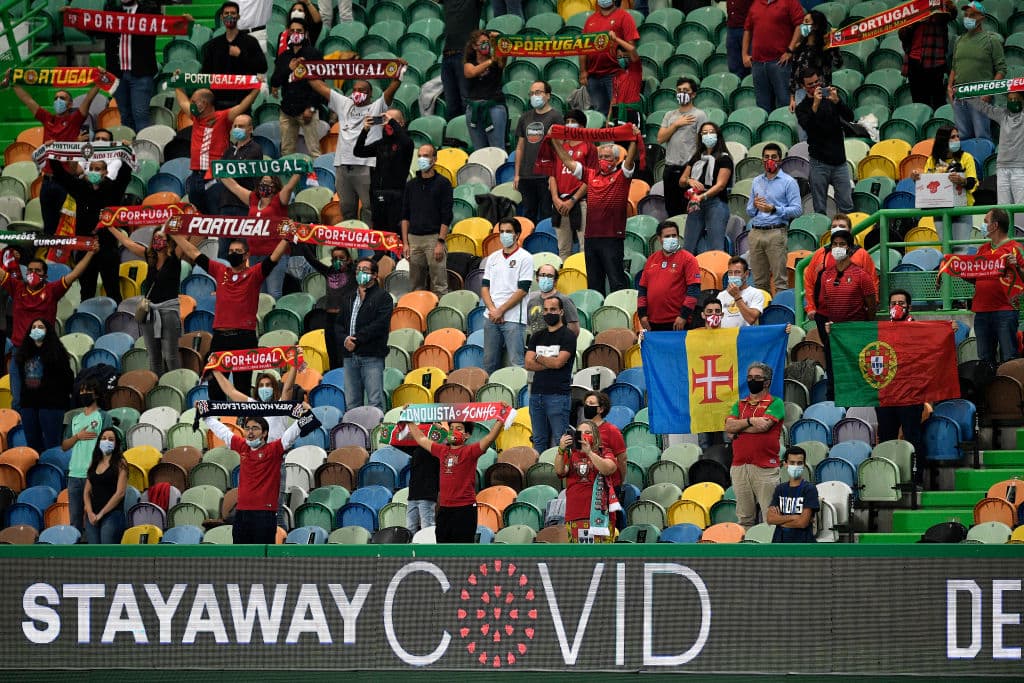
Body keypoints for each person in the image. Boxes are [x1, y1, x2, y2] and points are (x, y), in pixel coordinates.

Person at [172, 234, 290, 399]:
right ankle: (218, 423)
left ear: (247, 255)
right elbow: (193, 252)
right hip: (220, 339)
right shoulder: (220, 271)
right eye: (231, 251)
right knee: (215, 388)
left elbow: (273, 258)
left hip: (244, 339)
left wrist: (287, 237)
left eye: (238, 251)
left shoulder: (254, 273)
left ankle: (241, 424)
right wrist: (174, 234)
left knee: (241, 389)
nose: (233, 253)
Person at [0, 249, 95, 411]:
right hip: (18, 353)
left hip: (40, 354)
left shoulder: (52, 290)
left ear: (44, 274)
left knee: (37, 400)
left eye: (37, 271)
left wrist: (90, 253)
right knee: (17, 401)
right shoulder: (17, 288)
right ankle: (20, 434)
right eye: (30, 270)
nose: (33, 273)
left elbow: (74, 274)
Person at [550, 132, 640, 294]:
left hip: (612, 238)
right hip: (591, 238)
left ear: (616, 160)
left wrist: (634, 140)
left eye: (608, 157)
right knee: (594, 283)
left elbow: (630, 160)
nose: (603, 160)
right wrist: (555, 141)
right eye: (601, 157)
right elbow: (568, 162)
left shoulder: (622, 176)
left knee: (616, 281)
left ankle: (618, 312)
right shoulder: (590, 175)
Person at [308, 72, 402, 224]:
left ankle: (371, 243)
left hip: (366, 167)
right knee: (346, 208)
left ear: (370, 94)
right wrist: (305, 70)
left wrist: (399, 71)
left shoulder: (377, 107)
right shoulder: (344, 103)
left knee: (370, 208)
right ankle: (352, 243)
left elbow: (393, 87)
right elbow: (319, 86)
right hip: (343, 167)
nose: (357, 93)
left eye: (362, 90)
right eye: (355, 89)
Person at [12, 80, 103, 235]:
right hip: (46, 182)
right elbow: (28, 100)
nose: (57, 101)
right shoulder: (48, 119)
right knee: (49, 228)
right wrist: (14, 82)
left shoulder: (75, 120)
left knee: (68, 227)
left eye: (62, 98)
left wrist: (99, 82)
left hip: (65, 183)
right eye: (55, 98)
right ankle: (48, 258)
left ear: (70, 104)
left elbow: (88, 99)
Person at [204, 410, 304, 543]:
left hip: (265, 513)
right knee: (241, 554)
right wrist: (205, 416)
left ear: (265, 433)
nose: (250, 432)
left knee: (262, 557)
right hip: (242, 513)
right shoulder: (242, 447)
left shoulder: (274, 449)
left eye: (255, 428)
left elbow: (292, 433)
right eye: (247, 428)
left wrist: (304, 414)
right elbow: (224, 432)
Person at [403, 415, 507, 543]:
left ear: (467, 435)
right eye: (451, 428)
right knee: (443, 550)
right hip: (444, 510)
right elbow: (420, 438)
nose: (454, 431)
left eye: (459, 428)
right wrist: (409, 418)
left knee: (463, 550)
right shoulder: (441, 450)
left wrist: (501, 419)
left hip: (465, 510)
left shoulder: (471, 451)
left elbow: (490, 437)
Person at [51, 157, 132, 303]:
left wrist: (125, 152)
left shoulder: (113, 189)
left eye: (98, 169)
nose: (94, 172)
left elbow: (125, 175)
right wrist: (53, 155)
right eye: (92, 169)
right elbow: (61, 176)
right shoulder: (81, 187)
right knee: (86, 293)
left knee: (113, 291)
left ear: (106, 172)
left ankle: (117, 323)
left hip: (107, 247)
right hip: (84, 247)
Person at [173, 84, 261, 215]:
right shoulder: (195, 118)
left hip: (214, 177)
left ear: (203, 104)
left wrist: (257, 88)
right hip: (195, 177)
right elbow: (182, 101)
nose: (190, 105)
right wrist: (177, 82)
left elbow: (243, 105)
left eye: (193, 102)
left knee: (216, 216)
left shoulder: (223, 117)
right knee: (199, 219)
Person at [108, 226, 183, 374]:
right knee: (154, 357)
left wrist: (190, 218)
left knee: (171, 356)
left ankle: (175, 385)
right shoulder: (149, 257)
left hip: (169, 311)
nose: (157, 241)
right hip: (149, 312)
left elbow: (187, 240)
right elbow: (127, 242)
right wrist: (110, 225)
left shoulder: (175, 258)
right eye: (155, 238)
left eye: (161, 238)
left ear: (169, 241)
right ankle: (157, 390)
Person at [815, 228, 878, 401]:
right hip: (834, 334)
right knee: (834, 375)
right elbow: (825, 305)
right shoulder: (825, 275)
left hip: (855, 334)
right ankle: (833, 406)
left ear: (850, 249)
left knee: (857, 373)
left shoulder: (862, 275)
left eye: (842, 244)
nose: (838, 248)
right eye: (834, 244)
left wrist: (862, 327)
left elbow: (871, 306)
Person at [219, 172, 303, 299]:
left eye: (269, 183)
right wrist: (220, 171)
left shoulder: (279, 200)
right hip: (254, 255)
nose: (265, 185)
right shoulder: (253, 199)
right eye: (263, 182)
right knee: (259, 294)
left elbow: (289, 187)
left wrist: (299, 171)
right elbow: (235, 187)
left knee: (274, 292)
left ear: (275, 186)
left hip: (275, 255)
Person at [724, 361, 784, 529]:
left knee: (771, 518)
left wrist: (739, 429)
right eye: (750, 377)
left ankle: (771, 555)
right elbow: (728, 427)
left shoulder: (775, 403)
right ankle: (747, 553)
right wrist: (751, 421)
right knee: (744, 519)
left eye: (757, 377)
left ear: (767, 382)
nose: (752, 380)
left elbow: (764, 426)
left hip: (765, 468)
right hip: (739, 467)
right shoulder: (739, 404)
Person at [876, 289, 927, 484]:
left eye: (901, 303)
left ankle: (916, 480)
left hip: (910, 395)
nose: (897, 306)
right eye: (893, 303)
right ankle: (888, 482)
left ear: (909, 307)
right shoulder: (881, 329)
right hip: (886, 395)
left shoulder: (920, 329)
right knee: (887, 438)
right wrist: (834, 331)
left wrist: (949, 329)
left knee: (913, 437)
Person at [91, 0, 164, 132]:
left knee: (140, 115)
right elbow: (94, 31)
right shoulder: (111, 11)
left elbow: (167, 25)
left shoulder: (149, 10)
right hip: (117, 74)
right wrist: (71, 18)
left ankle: (142, 150)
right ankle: (128, 149)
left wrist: (184, 22)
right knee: (125, 116)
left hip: (141, 74)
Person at [964, 209, 1023, 364]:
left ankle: (1011, 389)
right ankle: (988, 389)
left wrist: (1017, 267)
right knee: (984, 361)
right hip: (981, 312)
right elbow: (976, 279)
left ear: (995, 225)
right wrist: (964, 273)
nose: (983, 225)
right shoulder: (982, 249)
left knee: (1009, 359)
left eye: (985, 222)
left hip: (1006, 311)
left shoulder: (1016, 248)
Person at [795, 67, 854, 216]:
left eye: (817, 82)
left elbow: (850, 117)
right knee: (820, 208)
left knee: (847, 206)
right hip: (819, 163)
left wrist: (837, 101)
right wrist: (815, 104)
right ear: (803, 87)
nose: (816, 86)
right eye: (811, 85)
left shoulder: (830, 100)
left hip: (839, 161)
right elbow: (808, 127)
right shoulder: (802, 108)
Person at [911, 125, 979, 253]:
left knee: (960, 251)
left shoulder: (966, 158)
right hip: (940, 212)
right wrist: (916, 178)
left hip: (962, 211)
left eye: (958, 136)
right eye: (953, 137)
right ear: (944, 140)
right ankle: (949, 274)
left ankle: (957, 274)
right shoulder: (932, 160)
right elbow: (926, 183)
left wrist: (962, 180)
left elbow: (972, 182)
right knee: (947, 250)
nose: (957, 139)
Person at [337, 258, 394, 411]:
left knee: (375, 402)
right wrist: (345, 340)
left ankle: (375, 434)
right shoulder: (348, 297)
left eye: (365, 271)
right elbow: (337, 324)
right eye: (358, 271)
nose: (360, 274)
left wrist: (356, 340)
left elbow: (379, 325)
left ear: (375, 275)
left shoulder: (383, 297)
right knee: (352, 404)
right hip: (349, 357)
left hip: (372, 356)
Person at [746, 142, 802, 292]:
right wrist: (755, 205)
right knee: (758, 282)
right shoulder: (756, 181)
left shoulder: (789, 182)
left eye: (773, 157)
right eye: (766, 157)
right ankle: (761, 313)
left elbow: (797, 210)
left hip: (776, 233)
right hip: (756, 232)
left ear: (780, 160)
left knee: (780, 281)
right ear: (762, 159)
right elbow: (750, 211)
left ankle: (778, 313)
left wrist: (774, 209)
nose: (769, 160)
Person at [353, 108, 414, 242]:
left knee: (395, 233)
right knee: (380, 234)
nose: (387, 124)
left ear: (401, 123)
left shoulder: (406, 143)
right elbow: (358, 151)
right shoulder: (382, 143)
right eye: (385, 120)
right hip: (378, 193)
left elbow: (405, 142)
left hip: (396, 194)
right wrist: (365, 130)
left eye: (391, 120)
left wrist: (391, 121)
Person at [803, 215, 878, 323]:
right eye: (834, 226)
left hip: (855, 316)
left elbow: (872, 282)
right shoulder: (820, 254)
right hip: (824, 315)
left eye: (842, 226)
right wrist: (811, 308)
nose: (837, 228)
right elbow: (810, 282)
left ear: (850, 230)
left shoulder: (861, 254)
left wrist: (871, 308)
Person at [400, 144, 453, 296]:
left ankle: (439, 316)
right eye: (420, 156)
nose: (422, 159)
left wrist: (440, 242)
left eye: (426, 156)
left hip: (433, 238)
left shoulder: (443, 184)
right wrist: (405, 243)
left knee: (439, 285)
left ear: (434, 159)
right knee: (416, 285)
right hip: (413, 239)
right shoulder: (411, 185)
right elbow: (405, 215)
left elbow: (447, 215)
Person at [949, 1, 1006, 142]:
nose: (968, 18)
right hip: (960, 96)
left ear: (982, 18)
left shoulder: (991, 40)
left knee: (982, 137)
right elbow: (954, 67)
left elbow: (1001, 69)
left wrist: (988, 92)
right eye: (966, 15)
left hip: (980, 96)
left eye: (973, 15)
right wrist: (949, 87)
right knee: (962, 138)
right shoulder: (959, 41)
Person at [526, 295, 577, 454]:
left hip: (558, 395)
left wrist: (538, 357)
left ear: (561, 312)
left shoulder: (568, 335)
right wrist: (550, 362)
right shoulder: (537, 336)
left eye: (553, 309)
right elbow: (528, 364)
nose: (549, 313)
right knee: (538, 439)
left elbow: (558, 363)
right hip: (536, 395)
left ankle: (562, 475)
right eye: (546, 310)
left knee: (561, 439)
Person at [482, 217, 533, 373]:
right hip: (491, 317)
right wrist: (493, 310)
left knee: (516, 363)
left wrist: (501, 310)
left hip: (513, 319)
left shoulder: (525, 257)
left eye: (508, 232)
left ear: (517, 235)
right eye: (502, 232)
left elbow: (523, 289)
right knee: (489, 363)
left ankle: (519, 396)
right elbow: (485, 287)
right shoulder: (493, 258)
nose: (504, 235)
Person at [15, 319, 73, 452]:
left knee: (52, 444)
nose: (36, 329)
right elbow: (21, 381)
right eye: (33, 326)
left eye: (40, 327)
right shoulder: (23, 354)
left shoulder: (58, 354)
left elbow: (68, 379)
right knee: (32, 445)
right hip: (29, 405)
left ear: (48, 331)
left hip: (51, 406)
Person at [555, 419, 618, 542]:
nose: (583, 436)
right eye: (580, 433)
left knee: (603, 556)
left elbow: (608, 469)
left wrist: (589, 452)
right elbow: (560, 471)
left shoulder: (605, 452)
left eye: (588, 433)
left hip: (601, 516)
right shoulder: (571, 454)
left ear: (596, 436)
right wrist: (561, 450)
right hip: (575, 513)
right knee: (579, 557)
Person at [270, 17, 324, 157]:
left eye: (299, 31)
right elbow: (275, 81)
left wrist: (311, 108)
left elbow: (321, 86)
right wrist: (289, 68)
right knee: (286, 152)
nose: (295, 33)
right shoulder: (284, 56)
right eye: (292, 30)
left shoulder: (314, 54)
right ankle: (287, 179)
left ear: (305, 33)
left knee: (314, 151)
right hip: (287, 111)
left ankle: (317, 178)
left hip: (307, 110)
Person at [201, 2, 269, 110]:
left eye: (233, 13)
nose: (229, 16)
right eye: (226, 13)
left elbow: (262, 67)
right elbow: (205, 72)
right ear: (221, 17)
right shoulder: (213, 45)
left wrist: (241, 55)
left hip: (243, 100)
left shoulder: (250, 41)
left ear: (238, 16)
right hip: (218, 101)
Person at [548, 108, 595, 260]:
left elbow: (591, 178)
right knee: (563, 249)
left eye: (573, 122)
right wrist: (555, 199)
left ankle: (585, 280)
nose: (569, 125)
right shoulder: (559, 147)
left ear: (582, 126)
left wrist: (573, 200)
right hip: (560, 204)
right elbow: (552, 176)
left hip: (581, 202)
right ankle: (566, 281)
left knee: (584, 248)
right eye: (567, 122)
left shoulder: (590, 147)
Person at [679, 121, 733, 253]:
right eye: (704, 133)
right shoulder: (697, 157)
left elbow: (720, 185)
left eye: (711, 132)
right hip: (695, 203)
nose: (708, 135)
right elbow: (682, 180)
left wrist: (702, 196)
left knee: (716, 247)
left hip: (715, 203)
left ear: (718, 135)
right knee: (688, 247)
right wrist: (690, 180)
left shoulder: (724, 158)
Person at [637, 221, 702, 331]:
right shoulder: (651, 259)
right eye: (667, 236)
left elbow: (694, 290)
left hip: (677, 323)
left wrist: (683, 316)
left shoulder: (688, 259)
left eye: (674, 235)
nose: (671, 239)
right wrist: (642, 315)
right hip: (652, 322)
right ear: (659, 239)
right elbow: (643, 289)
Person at [515, 81, 564, 224]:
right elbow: (519, 147)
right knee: (528, 215)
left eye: (538, 92)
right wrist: (517, 174)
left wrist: (553, 175)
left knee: (546, 215)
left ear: (548, 95)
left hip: (546, 176)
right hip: (526, 175)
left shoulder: (556, 117)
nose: (534, 96)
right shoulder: (525, 117)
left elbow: (560, 148)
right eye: (532, 93)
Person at [210, 360, 297, 441]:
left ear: (274, 388)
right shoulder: (252, 405)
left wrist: (295, 362)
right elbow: (231, 391)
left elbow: (288, 389)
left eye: (267, 385)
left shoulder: (281, 406)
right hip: (256, 450)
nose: (264, 388)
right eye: (261, 386)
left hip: (277, 452)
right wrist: (215, 370)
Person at [788, 10, 842, 140]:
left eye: (806, 22)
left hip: (822, 92)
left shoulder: (826, 46)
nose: (803, 25)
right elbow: (794, 72)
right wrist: (792, 97)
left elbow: (838, 63)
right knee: (805, 131)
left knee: (824, 130)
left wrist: (835, 45)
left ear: (816, 26)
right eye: (803, 22)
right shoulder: (799, 47)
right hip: (802, 93)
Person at [742, 0, 804, 112]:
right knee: (762, 107)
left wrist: (790, 50)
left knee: (785, 104)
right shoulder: (756, 3)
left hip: (781, 63)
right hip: (758, 64)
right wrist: (744, 54)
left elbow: (800, 26)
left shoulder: (790, 2)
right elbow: (747, 29)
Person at [212, 114, 263, 249]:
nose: (236, 129)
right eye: (234, 126)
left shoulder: (255, 149)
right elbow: (219, 173)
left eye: (241, 126)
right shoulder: (229, 151)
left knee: (242, 247)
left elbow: (237, 172)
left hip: (244, 206)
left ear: (250, 129)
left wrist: (224, 173)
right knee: (223, 249)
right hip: (226, 205)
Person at [659, 78, 708, 218]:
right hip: (669, 168)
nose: (682, 93)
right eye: (679, 90)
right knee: (671, 210)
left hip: (688, 170)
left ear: (693, 94)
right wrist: (675, 125)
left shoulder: (699, 115)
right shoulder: (670, 115)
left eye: (686, 91)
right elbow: (661, 138)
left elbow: (702, 144)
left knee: (689, 211)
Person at [580, 0, 638, 117]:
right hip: (593, 76)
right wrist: (583, 71)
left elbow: (631, 48)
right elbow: (583, 48)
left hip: (615, 74)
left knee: (616, 113)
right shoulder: (590, 20)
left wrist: (619, 47)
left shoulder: (624, 16)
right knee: (599, 114)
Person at [299, 245, 355, 368]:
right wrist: (300, 241)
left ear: (349, 259)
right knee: (332, 352)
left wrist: (385, 245)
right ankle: (334, 376)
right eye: (335, 258)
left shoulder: (353, 272)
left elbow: (374, 260)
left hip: (345, 318)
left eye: (342, 258)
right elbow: (311, 259)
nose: (338, 261)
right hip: (329, 318)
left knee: (344, 352)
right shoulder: (328, 272)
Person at [62, 382, 105, 536]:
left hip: (93, 474)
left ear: (97, 395)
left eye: (88, 391)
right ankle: (74, 552)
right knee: (75, 518)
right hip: (74, 475)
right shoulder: (75, 418)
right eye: (81, 391)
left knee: (93, 516)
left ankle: (94, 552)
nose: (84, 394)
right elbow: (65, 445)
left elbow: (108, 443)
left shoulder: (103, 416)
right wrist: (78, 436)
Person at [968, 92, 1024, 207]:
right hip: (1002, 167)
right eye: (1011, 99)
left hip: (1020, 167)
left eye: (1017, 98)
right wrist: (966, 95)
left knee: (1021, 206)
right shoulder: (1002, 115)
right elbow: (983, 107)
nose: (1014, 101)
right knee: (1003, 206)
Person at [899, 0, 957, 110]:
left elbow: (953, 14)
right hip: (914, 61)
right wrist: (915, 21)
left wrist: (936, 7)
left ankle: (938, 125)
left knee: (938, 102)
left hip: (935, 61)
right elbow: (902, 34)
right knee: (919, 103)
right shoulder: (912, 8)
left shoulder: (940, 4)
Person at [463, 29, 507, 151]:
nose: (485, 44)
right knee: (479, 150)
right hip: (474, 110)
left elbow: (504, 56)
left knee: (497, 148)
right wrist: (490, 60)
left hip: (494, 107)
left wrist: (499, 39)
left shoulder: (497, 60)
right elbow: (471, 72)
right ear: (474, 46)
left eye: (487, 42)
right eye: (482, 42)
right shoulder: (469, 63)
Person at [83, 428, 128, 544]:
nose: (106, 441)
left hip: (112, 515)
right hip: (92, 515)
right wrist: (90, 513)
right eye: (103, 438)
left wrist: (101, 514)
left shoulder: (121, 463)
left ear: (116, 443)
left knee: (107, 553)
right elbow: (87, 491)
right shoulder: (93, 462)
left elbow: (120, 493)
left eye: (111, 439)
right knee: (94, 553)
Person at [440, 0, 483, 121]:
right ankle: (454, 137)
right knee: (451, 104)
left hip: (465, 54)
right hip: (447, 55)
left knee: (467, 102)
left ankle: (470, 136)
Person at [767, 445, 819, 543]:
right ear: (785, 464)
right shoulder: (780, 489)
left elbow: (802, 523)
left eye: (799, 463)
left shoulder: (810, 489)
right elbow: (770, 519)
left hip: (802, 543)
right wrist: (793, 517)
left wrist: (780, 521)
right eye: (792, 463)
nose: (795, 466)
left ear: (804, 465)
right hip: (780, 542)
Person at [581, 390, 627, 500]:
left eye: (591, 404)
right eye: (586, 403)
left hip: (608, 484)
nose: (587, 406)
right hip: (586, 483)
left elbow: (622, 459)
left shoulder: (612, 430)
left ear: (601, 409)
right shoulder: (581, 428)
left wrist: (620, 481)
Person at [525, 263, 581, 337]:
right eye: (542, 275)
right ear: (537, 279)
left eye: (549, 276)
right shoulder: (531, 299)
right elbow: (529, 325)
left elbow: (574, 330)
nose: (545, 278)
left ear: (555, 281)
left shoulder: (565, 300)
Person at [608, 29, 642, 127]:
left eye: (624, 56)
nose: (621, 58)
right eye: (619, 57)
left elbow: (631, 49)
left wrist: (615, 39)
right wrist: (609, 117)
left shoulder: (635, 69)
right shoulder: (617, 75)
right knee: (618, 141)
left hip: (631, 111)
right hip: (617, 112)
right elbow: (614, 98)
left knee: (632, 140)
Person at [718, 256, 765, 327]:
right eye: (730, 273)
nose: (733, 276)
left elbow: (751, 319)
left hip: (744, 335)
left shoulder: (756, 293)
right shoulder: (721, 295)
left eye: (737, 272)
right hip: (725, 335)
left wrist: (737, 296)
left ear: (746, 274)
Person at [405, 443, 439, 534]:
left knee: (427, 527)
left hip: (427, 495)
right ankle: (411, 547)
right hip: (413, 495)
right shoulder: (415, 450)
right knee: (410, 527)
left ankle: (429, 547)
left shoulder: (436, 450)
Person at [727, 0, 753, 79]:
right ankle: (738, 89)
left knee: (752, 65)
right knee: (735, 68)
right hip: (732, 27)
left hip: (749, 29)